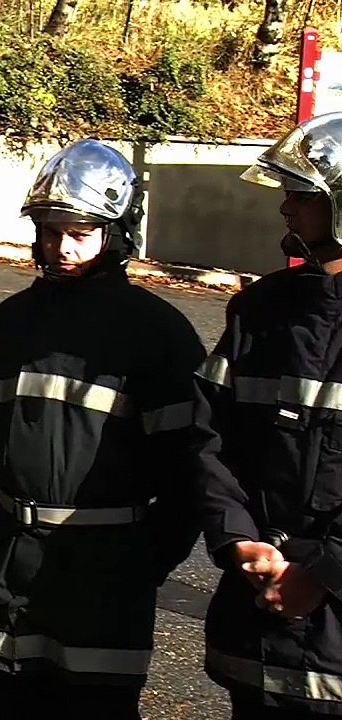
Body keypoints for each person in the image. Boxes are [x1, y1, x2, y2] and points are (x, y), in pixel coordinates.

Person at [0, 139, 204, 719]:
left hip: (105, 570)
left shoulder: (156, 332)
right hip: (11, 562)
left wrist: (141, 564)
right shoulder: (9, 322)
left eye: (80, 231)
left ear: (115, 233)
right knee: (7, 704)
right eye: (50, 230)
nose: (61, 246)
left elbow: (188, 468)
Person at [196, 111, 342, 718]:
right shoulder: (259, 311)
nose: (286, 209)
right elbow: (208, 438)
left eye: (303, 196)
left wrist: (326, 572)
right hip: (255, 618)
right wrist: (238, 541)